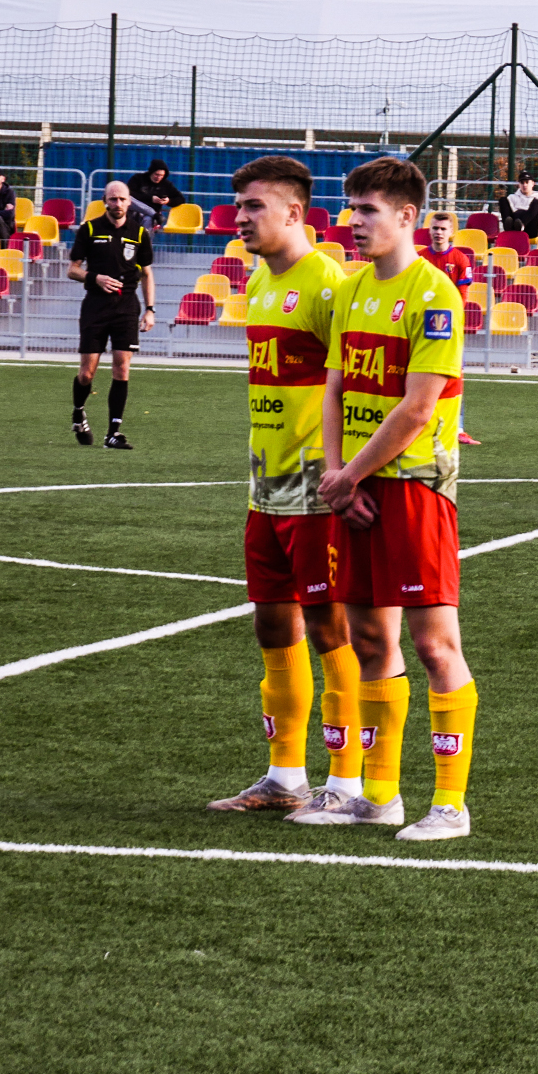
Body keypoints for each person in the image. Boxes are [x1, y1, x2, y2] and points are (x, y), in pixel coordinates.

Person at [288, 155, 476, 841]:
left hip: (417, 487)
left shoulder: (435, 294)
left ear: (406, 216)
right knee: (370, 639)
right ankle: (380, 794)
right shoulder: (352, 289)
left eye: (367, 209)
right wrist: (339, 475)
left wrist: (349, 476)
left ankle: (450, 805)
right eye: (351, 208)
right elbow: (335, 388)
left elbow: (418, 408)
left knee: (434, 644)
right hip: (359, 489)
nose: (353, 221)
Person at [207, 155, 361, 816]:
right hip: (264, 487)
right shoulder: (260, 280)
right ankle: (284, 777)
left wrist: (346, 474)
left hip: (316, 491)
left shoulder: (328, 285)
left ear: (294, 212)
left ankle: (347, 784)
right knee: (272, 624)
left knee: (331, 629)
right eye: (238, 205)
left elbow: (359, 385)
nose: (239, 218)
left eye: (254, 206)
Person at [67, 180, 155, 450]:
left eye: (122, 199)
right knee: (87, 373)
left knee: (122, 367)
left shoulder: (139, 233)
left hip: (126, 307)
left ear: (130, 202)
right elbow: (72, 270)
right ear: (105, 200)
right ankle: (78, 412)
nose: (118, 204)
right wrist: (95, 277)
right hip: (95, 306)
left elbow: (147, 273)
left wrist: (150, 309)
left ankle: (113, 434)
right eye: (113, 199)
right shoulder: (89, 229)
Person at [421, 212, 481, 446]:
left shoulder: (460, 260)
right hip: (421, 328)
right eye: (435, 228)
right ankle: (418, 425)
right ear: (429, 230)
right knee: (418, 377)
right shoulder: (419, 259)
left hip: (449, 328)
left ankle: (458, 428)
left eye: (443, 229)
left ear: (451, 232)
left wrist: (448, 318)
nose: (438, 232)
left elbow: (462, 297)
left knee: (454, 378)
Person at [127, 158, 182, 228]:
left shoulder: (166, 184)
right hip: (134, 211)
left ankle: (146, 233)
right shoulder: (138, 178)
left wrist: (168, 201)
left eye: (162, 175)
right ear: (151, 172)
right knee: (128, 198)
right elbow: (129, 193)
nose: (158, 177)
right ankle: (153, 214)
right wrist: (151, 199)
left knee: (149, 220)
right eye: (156, 174)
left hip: (150, 216)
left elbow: (180, 199)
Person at [496, 170, 538, 238]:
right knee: (503, 200)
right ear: (519, 184)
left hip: (530, 229)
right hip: (514, 225)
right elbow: (512, 213)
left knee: (536, 203)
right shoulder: (511, 197)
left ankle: (522, 225)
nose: (524, 185)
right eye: (522, 182)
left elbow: (536, 214)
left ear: (533, 183)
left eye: (527, 182)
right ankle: (509, 227)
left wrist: (522, 215)